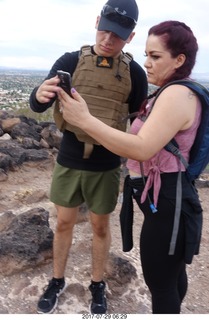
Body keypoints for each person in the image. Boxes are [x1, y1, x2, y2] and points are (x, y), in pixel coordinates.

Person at [57, 21, 203, 314]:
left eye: (156, 56)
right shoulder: (169, 91)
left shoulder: (177, 95)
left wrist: (85, 120)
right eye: (147, 54)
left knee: (160, 284)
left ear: (179, 60)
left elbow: (141, 148)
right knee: (172, 277)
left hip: (168, 201)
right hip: (164, 197)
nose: (147, 63)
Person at [29, 0, 147, 314]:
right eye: (105, 30)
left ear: (131, 37)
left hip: (107, 166)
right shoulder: (70, 61)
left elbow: (137, 122)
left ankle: (97, 284)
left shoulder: (134, 73)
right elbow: (39, 104)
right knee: (64, 223)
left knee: (99, 227)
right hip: (69, 159)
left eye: (118, 35)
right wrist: (38, 95)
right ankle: (57, 280)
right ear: (97, 21)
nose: (108, 39)